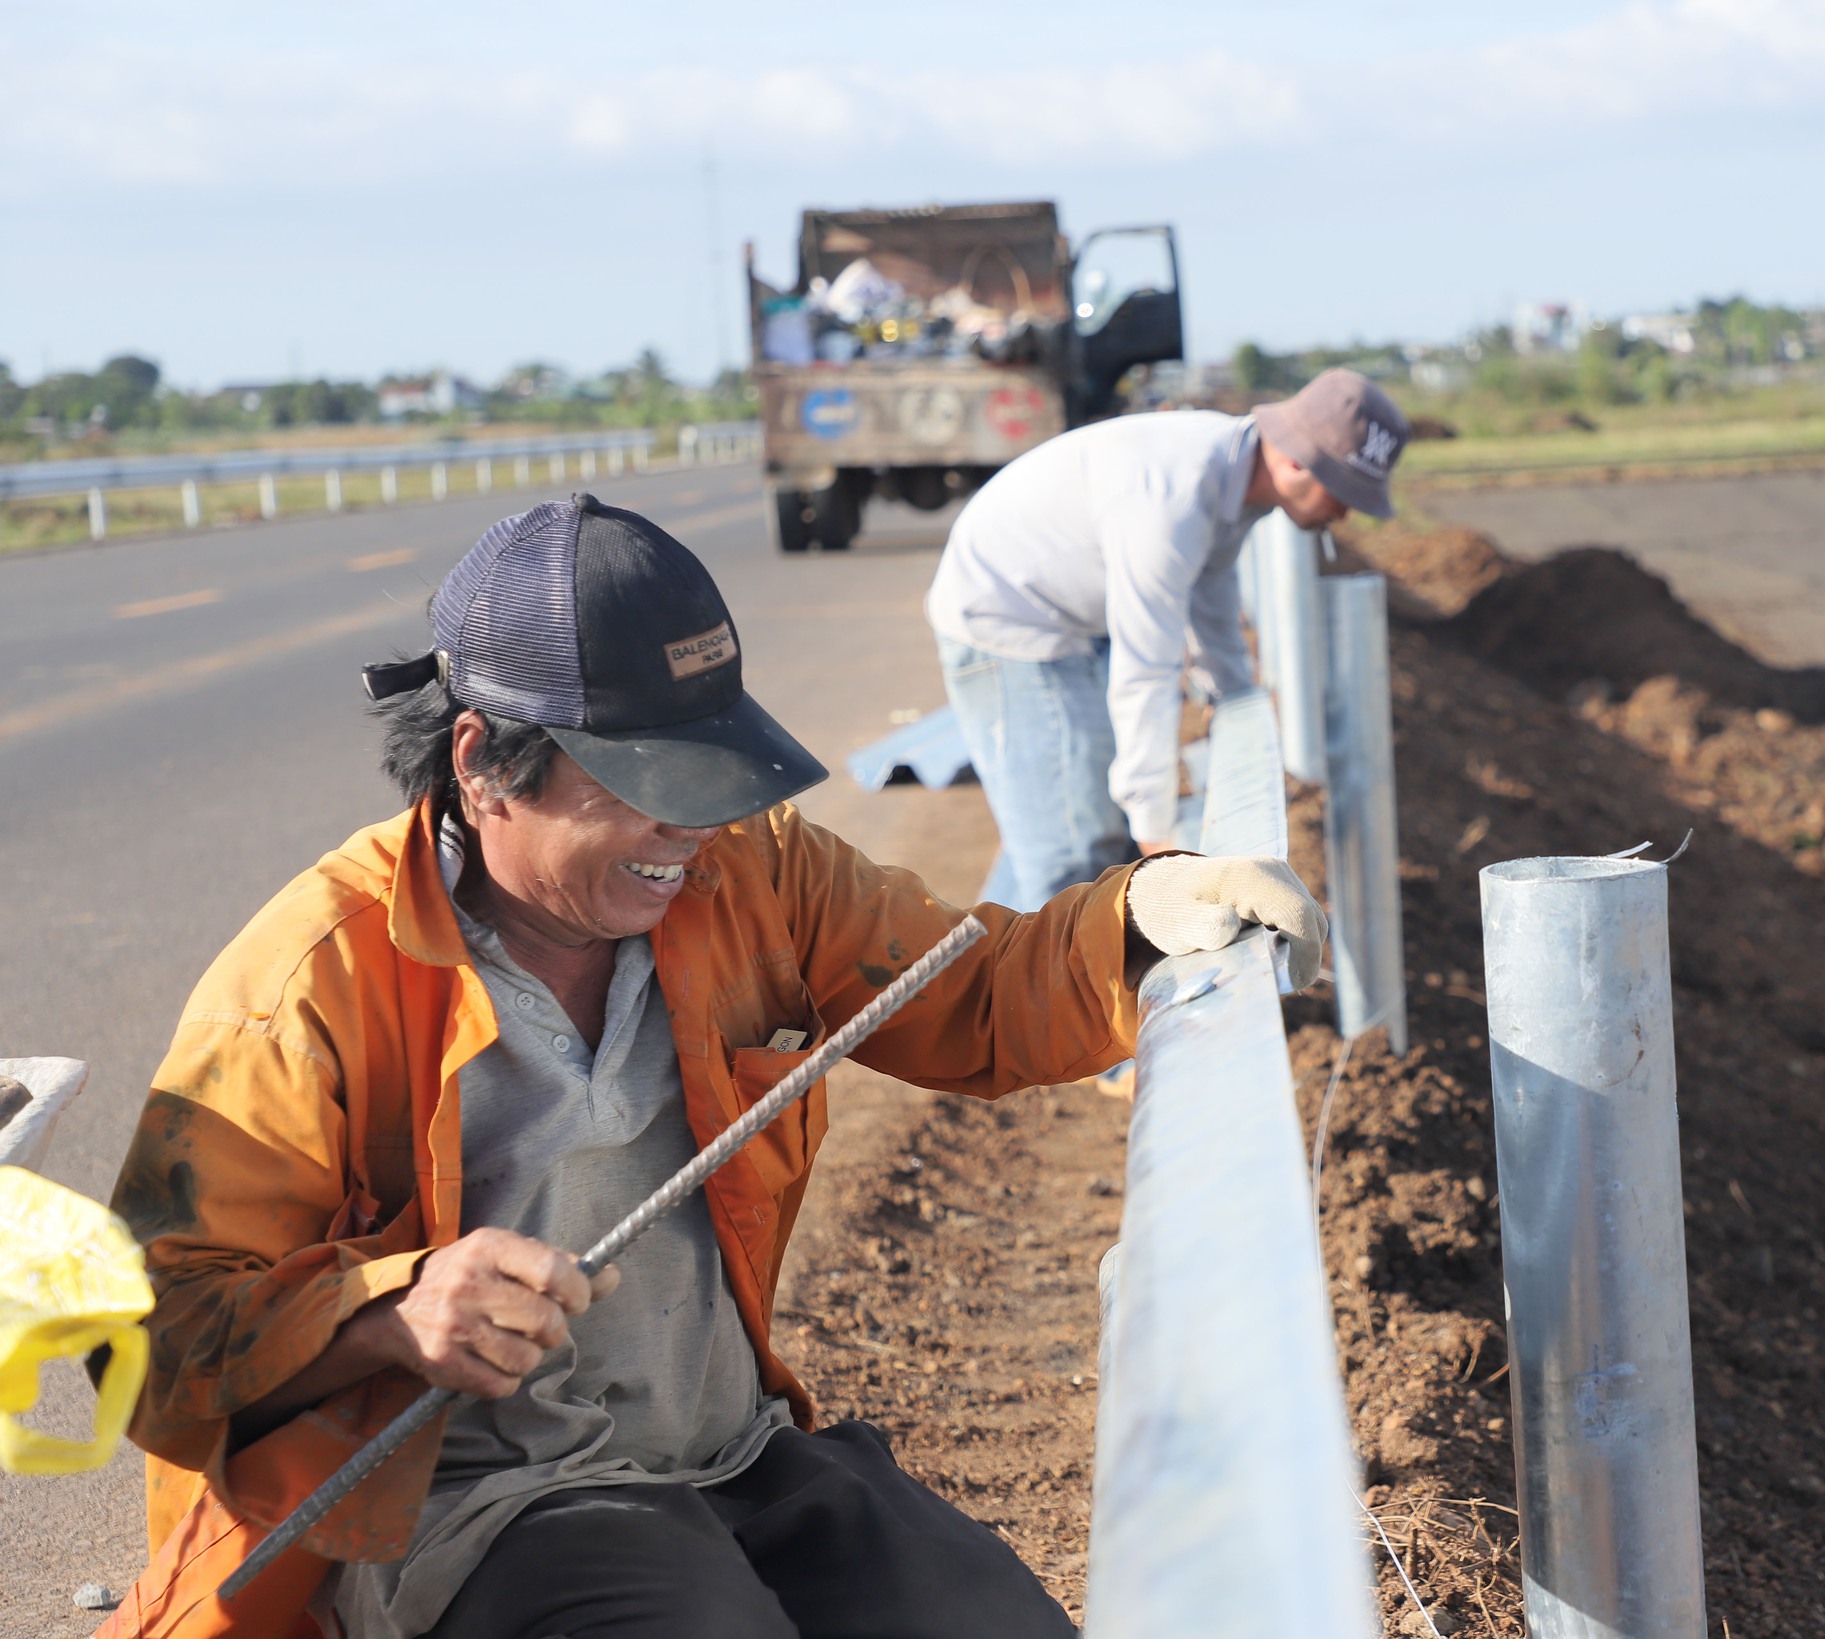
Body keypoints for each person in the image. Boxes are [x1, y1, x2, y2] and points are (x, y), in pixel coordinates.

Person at [101, 494, 1324, 1639]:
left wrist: (1136, 920)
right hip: (460, 1507)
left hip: (722, 1452)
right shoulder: (307, 985)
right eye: (647, 787)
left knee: (983, 1614)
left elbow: (972, 991)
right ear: (482, 762)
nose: (689, 829)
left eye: (710, 776)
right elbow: (141, 1337)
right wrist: (386, 1313)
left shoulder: (747, 875)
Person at [926, 367, 1409, 909]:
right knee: (1073, 853)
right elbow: (1147, 669)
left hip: (1069, 617)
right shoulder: (1173, 497)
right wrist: (1157, 838)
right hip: (1008, 620)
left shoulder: (1237, 473)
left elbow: (1213, 590)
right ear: (1296, 460)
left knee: (1077, 815)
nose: (1343, 512)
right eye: (1342, 491)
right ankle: (1032, 988)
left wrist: (1236, 698)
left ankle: (1027, 972)